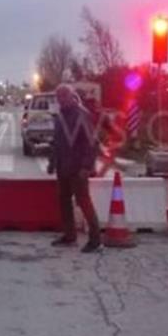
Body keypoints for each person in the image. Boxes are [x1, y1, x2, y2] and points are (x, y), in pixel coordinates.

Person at [47, 84, 101, 253]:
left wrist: (86, 166)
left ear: (72, 96)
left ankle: (95, 239)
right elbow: (57, 142)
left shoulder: (81, 114)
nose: (61, 99)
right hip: (63, 166)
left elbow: (92, 143)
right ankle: (69, 235)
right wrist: (52, 162)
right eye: (59, 97)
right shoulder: (60, 116)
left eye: (64, 96)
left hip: (78, 167)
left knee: (83, 201)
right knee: (64, 201)